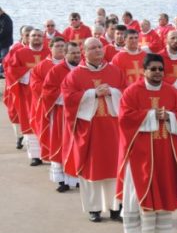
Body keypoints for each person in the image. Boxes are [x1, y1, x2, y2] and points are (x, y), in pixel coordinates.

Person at [117, 53, 177, 233]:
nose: (158, 73)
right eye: (153, 69)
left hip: (165, 152)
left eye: (160, 69)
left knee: (163, 190)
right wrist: (150, 115)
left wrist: (170, 116)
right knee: (136, 194)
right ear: (144, 70)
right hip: (140, 154)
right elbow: (124, 118)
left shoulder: (172, 92)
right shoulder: (132, 92)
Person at [61, 38, 127, 223]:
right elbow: (68, 98)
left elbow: (126, 91)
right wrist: (92, 94)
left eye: (100, 47)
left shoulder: (115, 71)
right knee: (92, 170)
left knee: (114, 168)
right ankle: (94, 208)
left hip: (112, 128)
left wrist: (113, 92)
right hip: (89, 130)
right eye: (93, 48)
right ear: (84, 51)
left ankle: (116, 207)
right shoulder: (75, 75)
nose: (98, 50)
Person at [6, 28, 51, 166]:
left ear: (43, 38)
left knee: (47, 123)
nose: (36, 38)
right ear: (28, 38)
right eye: (33, 36)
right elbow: (11, 70)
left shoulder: (49, 52)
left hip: (46, 94)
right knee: (30, 122)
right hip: (28, 94)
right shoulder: (20, 53)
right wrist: (32, 74)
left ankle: (49, 152)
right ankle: (35, 156)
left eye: (39, 35)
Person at [41, 41, 81, 192]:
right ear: (65, 54)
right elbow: (48, 92)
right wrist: (70, 96)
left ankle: (77, 177)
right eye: (73, 53)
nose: (77, 56)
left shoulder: (84, 69)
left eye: (78, 53)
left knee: (78, 145)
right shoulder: (56, 71)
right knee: (62, 145)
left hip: (80, 113)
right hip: (62, 114)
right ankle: (63, 179)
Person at [30, 37, 67, 166]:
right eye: (57, 46)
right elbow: (35, 85)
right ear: (50, 48)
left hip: (71, 106)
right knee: (55, 137)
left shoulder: (73, 65)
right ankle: (57, 166)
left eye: (63, 46)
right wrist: (55, 95)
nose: (61, 48)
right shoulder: (41, 66)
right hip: (51, 107)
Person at [0, 7, 13, 78]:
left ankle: (2, 72)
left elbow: (5, 31)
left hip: (5, 42)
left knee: (4, 58)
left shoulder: (6, 19)